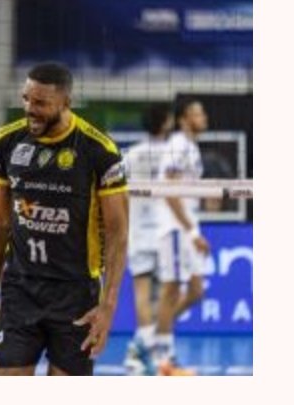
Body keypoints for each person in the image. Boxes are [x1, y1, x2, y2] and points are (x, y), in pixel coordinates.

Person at [0, 62, 129, 376]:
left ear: (66, 102)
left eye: (40, 103)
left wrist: (108, 306)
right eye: (26, 99)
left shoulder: (99, 150)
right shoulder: (6, 141)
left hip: (76, 293)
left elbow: (118, 233)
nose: (29, 109)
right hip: (20, 287)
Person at [154, 98, 211, 376]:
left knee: (196, 291)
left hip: (187, 225)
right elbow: (169, 192)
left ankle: (154, 337)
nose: (204, 117)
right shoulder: (178, 144)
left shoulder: (190, 146)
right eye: (197, 113)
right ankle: (165, 362)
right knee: (171, 291)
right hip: (175, 228)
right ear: (183, 120)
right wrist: (191, 231)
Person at [121, 103, 174, 375]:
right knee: (164, 296)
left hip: (139, 232)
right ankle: (154, 352)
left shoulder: (131, 155)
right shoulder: (176, 153)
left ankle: (142, 350)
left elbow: (117, 191)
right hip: (165, 232)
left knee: (142, 294)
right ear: (166, 122)